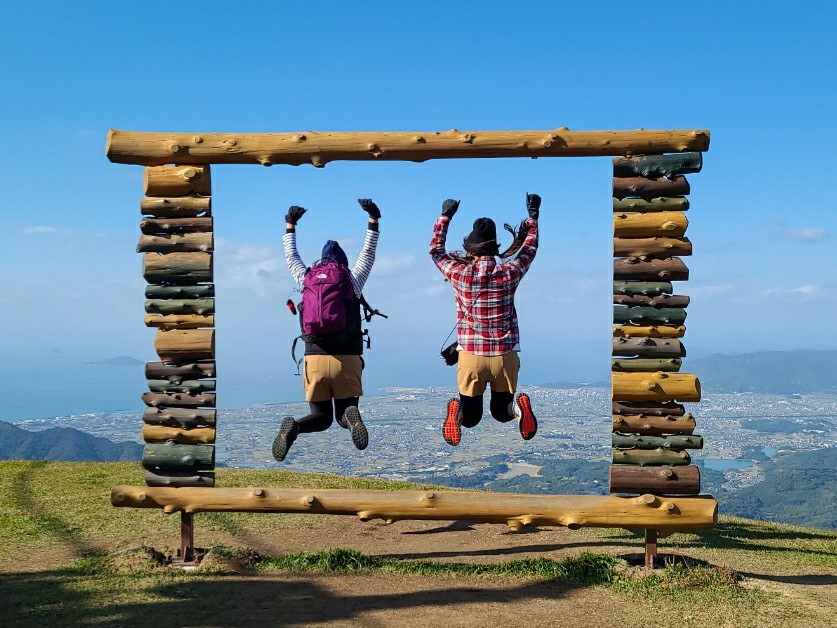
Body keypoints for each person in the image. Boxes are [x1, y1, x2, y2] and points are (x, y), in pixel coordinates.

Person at [272, 199, 381, 461]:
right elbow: (368, 253)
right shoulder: (352, 281)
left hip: (314, 358)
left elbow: (291, 256)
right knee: (344, 413)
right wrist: (373, 220)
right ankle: (350, 418)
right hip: (347, 359)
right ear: (343, 263)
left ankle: (295, 427)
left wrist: (290, 225)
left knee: (320, 418)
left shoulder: (306, 278)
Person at [429, 194, 541, 446]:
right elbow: (530, 249)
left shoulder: (460, 274)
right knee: (502, 413)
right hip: (505, 355)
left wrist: (444, 216)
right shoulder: (510, 272)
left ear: (471, 248)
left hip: (470, 356)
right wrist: (533, 219)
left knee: (472, 418)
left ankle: (457, 414)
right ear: (495, 247)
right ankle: (520, 412)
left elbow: (435, 251)